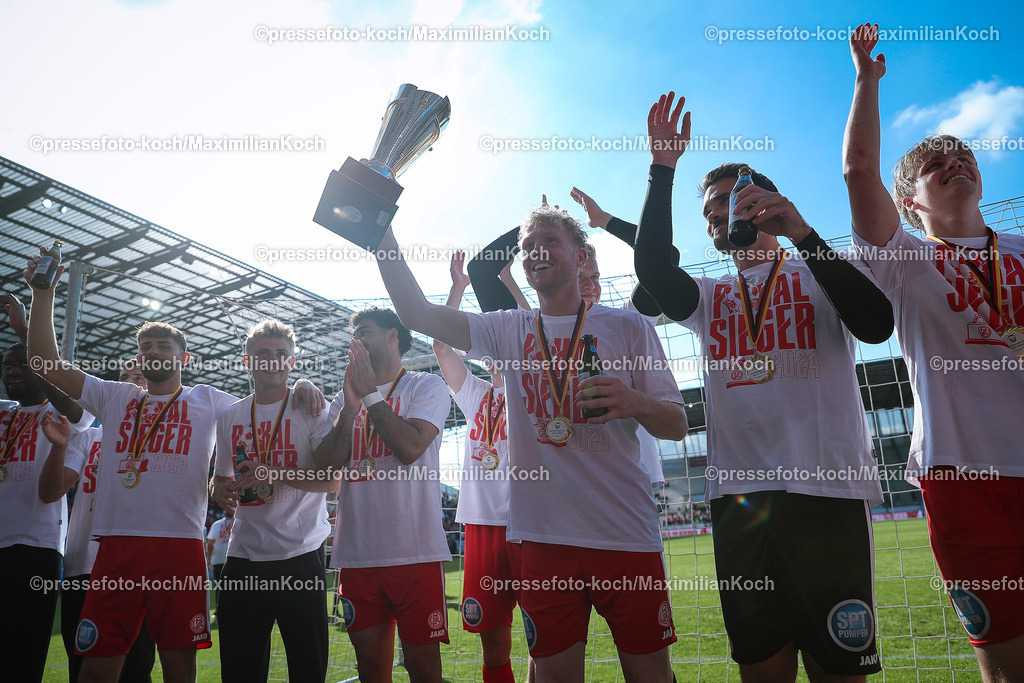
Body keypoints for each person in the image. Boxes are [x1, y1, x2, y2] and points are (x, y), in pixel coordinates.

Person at [633, 91, 894, 681]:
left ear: (766, 202)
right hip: (741, 503)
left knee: (841, 669)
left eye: (731, 200)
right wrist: (663, 168)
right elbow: (652, 271)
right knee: (761, 669)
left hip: (825, 495)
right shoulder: (708, 296)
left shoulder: (818, 268)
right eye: (711, 210)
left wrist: (801, 231)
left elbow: (877, 326)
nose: (720, 215)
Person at [369, 202, 687, 682]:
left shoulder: (629, 326)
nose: (536, 251)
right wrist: (379, 228)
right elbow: (416, 313)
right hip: (541, 541)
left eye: (550, 241)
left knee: (651, 676)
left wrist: (635, 402)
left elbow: (678, 424)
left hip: (623, 533)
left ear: (582, 256)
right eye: (528, 247)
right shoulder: (508, 328)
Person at [24, 252, 324, 683]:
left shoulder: (208, 400)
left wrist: (303, 383)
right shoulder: (115, 396)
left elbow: (263, 395)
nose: (153, 351)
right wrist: (44, 292)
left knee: (179, 668)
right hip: (116, 545)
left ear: (183, 359)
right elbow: (45, 363)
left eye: (164, 346)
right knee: (97, 667)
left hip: (180, 546)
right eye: (146, 346)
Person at [843, 23, 1024, 678]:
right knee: (1007, 663)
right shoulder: (905, 260)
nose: (955, 161)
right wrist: (867, 81)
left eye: (964, 155)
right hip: (963, 478)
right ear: (907, 202)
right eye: (933, 164)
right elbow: (857, 170)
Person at [313, 308, 452, 683]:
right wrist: (349, 407)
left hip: (415, 553)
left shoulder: (426, 386)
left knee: (424, 669)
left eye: (365, 331)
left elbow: (409, 448)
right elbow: (324, 469)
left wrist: (370, 395)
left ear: (393, 336)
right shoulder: (344, 402)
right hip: (357, 557)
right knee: (371, 670)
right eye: (354, 334)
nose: (356, 340)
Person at [210, 319, 338, 683]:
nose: (272, 360)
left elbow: (332, 481)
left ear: (291, 363)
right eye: (262, 353)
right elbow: (220, 478)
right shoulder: (230, 415)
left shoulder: (313, 409)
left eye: (281, 354)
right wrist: (216, 490)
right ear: (248, 360)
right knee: (239, 670)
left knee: (307, 669)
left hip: (300, 555)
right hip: (242, 556)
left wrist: (274, 472)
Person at [433, 253, 520, 683]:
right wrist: (459, 287)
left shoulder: (536, 386)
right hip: (482, 526)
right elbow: (441, 345)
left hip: (532, 523)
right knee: (493, 640)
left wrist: (512, 283)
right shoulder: (475, 395)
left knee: (549, 635)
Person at [0, 291, 91, 683]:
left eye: (22, 364)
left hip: (33, 547)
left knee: (21, 654)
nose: (14, 371)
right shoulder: (3, 411)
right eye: (7, 366)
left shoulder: (64, 414)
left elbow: (72, 401)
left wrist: (25, 332)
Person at [56, 359, 157, 682]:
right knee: (81, 665)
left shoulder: (164, 437)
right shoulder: (89, 438)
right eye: (122, 377)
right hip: (83, 567)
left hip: (137, 567)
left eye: (138, 378)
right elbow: (56, 487)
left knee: (137, 665)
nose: (129, 383)